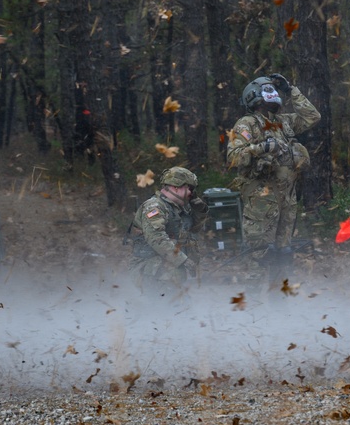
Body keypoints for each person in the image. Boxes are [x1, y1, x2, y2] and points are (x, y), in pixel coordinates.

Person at [226, 73, 320, 275]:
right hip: (262, 199)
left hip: (286, 198)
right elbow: (233, 157)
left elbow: (312, 116)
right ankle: (254, 304)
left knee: (283, 255)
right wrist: (261, 148)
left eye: (274, 90)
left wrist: (291, 90)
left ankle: (280, 303)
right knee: (259, 254)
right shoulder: (247, 124)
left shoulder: (283, 122)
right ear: (254, 95)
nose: (273, 93)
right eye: (268, 89)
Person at [129, 166, 207, 292]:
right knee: (170, 270)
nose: (192, 193)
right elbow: (156, 238)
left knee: (174, 275)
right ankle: (163, 303)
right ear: (176, 187)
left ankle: (172, 301)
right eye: (190, 188)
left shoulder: (180, 209)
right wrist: (183, 260)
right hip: (146, 268)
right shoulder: (155, 207)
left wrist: (199, 210)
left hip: (161, 267)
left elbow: (193, 229)